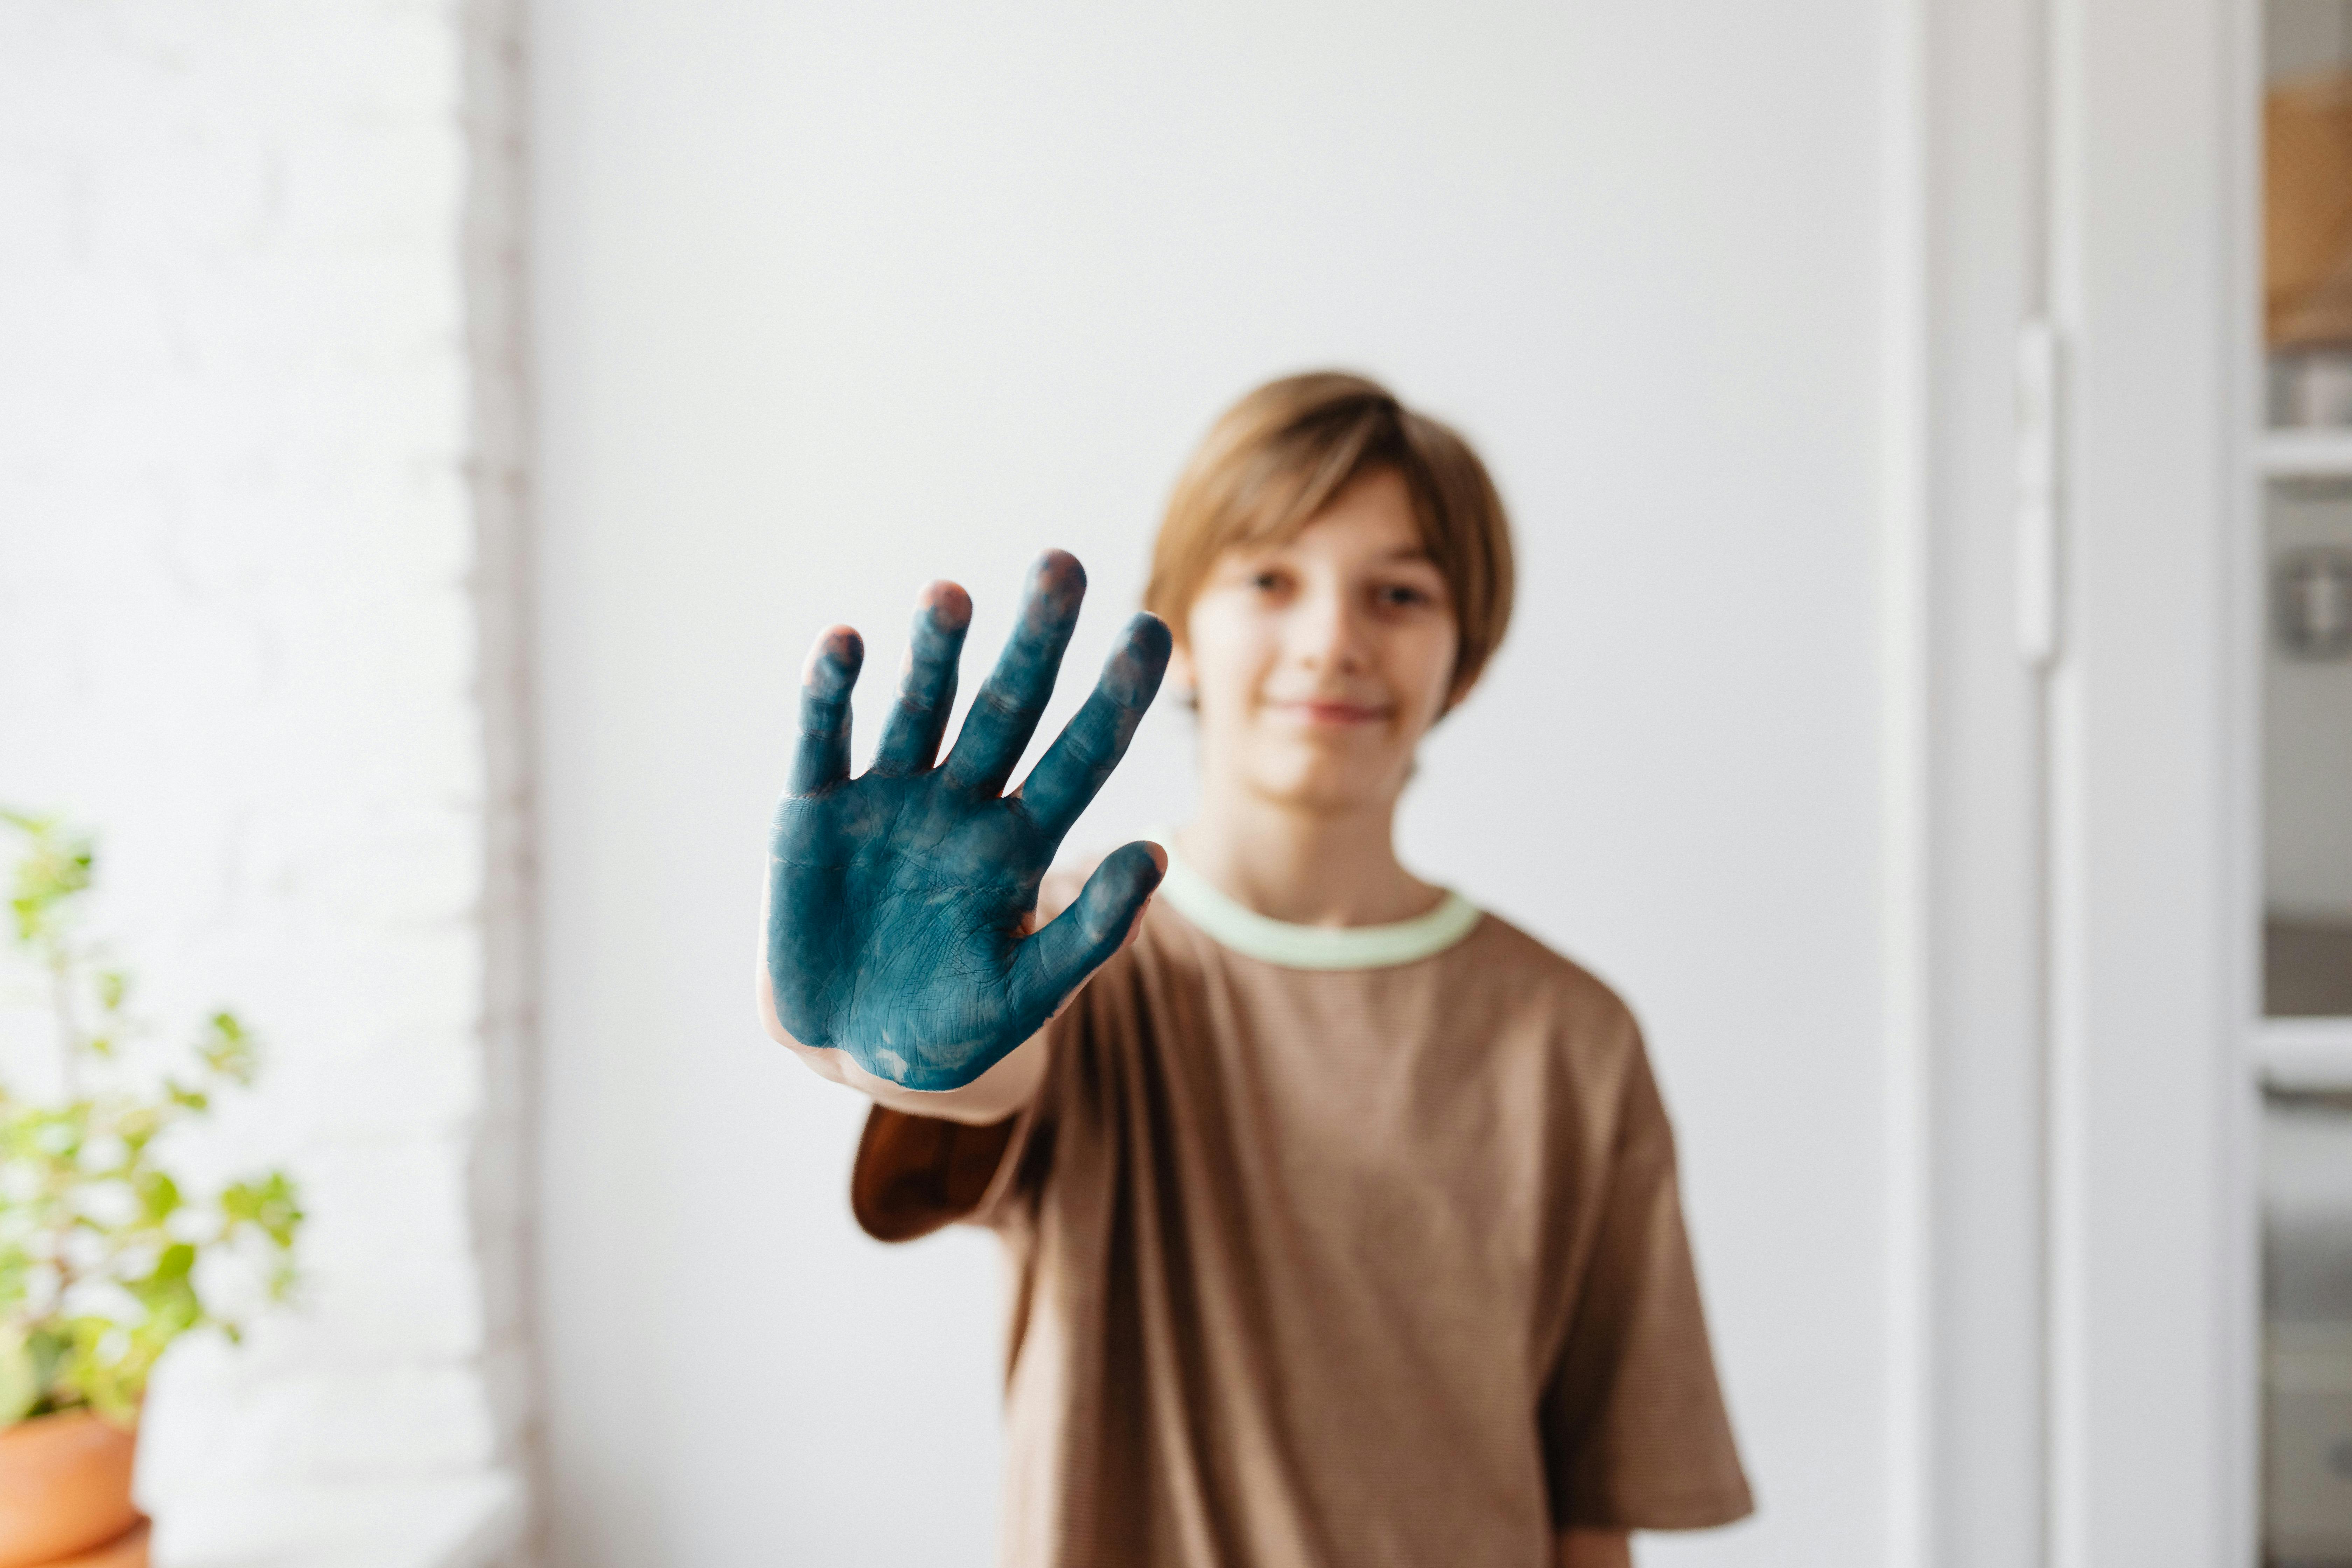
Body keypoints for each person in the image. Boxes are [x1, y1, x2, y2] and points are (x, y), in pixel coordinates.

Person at [761, 372, 1753, 1568]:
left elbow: (1596, 1503)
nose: (1332, 639)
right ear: (1176, 634)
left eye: (1398, 592)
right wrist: (856, 1029)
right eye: (1270, 580)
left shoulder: (1572, 1040)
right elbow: (976, 1077)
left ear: (1469, 658)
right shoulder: (1075, 962)